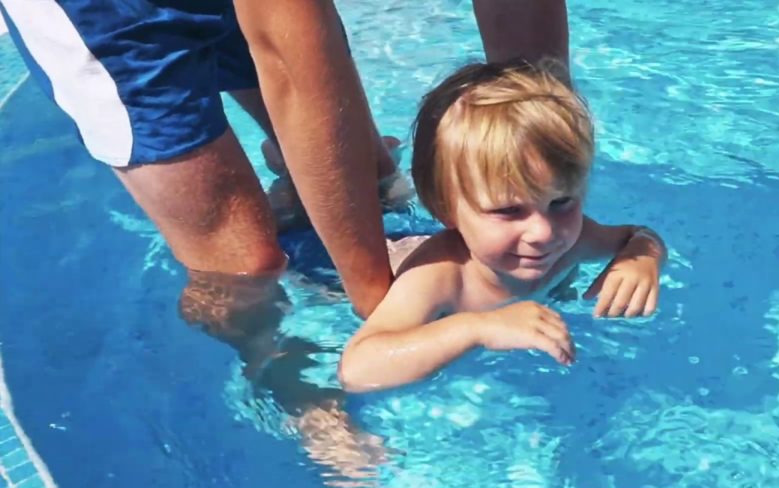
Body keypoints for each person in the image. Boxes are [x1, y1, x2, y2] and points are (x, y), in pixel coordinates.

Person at [0, 0, 569, 319]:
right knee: (244, 270)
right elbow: (287, 54)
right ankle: (283, 384)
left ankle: (295, 191)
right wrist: (375, 295)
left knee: (374, 184)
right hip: (105, 13)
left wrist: (544, 146)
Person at [338, 59, 668, 393]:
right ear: (446, 211)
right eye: (509, 210)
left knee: (389, 201)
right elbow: (358, 368)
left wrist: (641, 257)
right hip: (328, 269)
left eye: (561, 202)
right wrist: (478, 328)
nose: (544, 232)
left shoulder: (576, 237)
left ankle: (384, 173)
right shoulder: (441, 276)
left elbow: (636, 236)